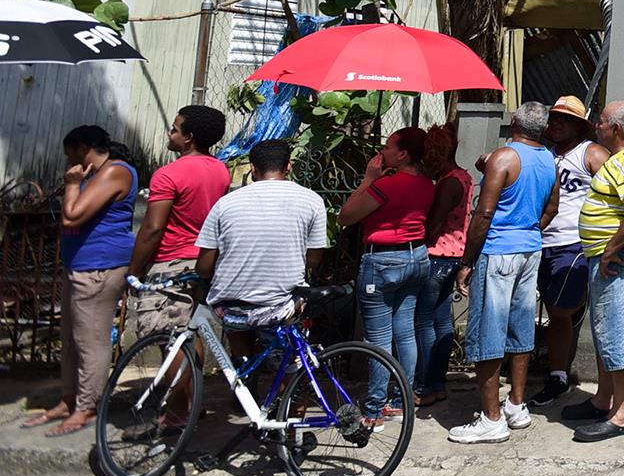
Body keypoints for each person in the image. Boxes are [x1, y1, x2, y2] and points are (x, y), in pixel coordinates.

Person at [450, 102, 559, 443]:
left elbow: (483, 214)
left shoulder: (504, 157)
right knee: (521, 325)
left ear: (513, 122)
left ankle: (491, 418)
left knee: (487, 330)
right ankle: (516, 405)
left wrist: (466, 262)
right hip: (529, 248)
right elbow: (552, 207)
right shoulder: (548, 160)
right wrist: (530, 229)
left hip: (498, 250)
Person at [25, 125, 137, 437]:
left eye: (69, 154)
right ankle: (68, 399)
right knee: (72, 338)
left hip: (100, 267)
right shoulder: (96, 174)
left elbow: (71, 215)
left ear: (82, 148)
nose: (67, 162)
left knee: (91, 340)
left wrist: (72, 184)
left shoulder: (115, 172)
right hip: (81, 265)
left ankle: (87, 407)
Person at [564, 101, 624, 442]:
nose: (596, 125)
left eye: (601, 121)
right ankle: (604, 399)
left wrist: (610, 249)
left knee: (619, 329)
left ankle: (622, 414)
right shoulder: (620, 158)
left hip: (621, 258)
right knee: (606, 329)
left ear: (615, 129)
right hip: (612, 257)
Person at [191, 140, 328, 357]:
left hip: (231, 306)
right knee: (284, 363)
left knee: (242, 359)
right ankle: (285, 387)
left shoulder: (225, 203)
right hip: (281, 305)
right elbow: (313, 260)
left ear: (252, 168)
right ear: (289, 166)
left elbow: (205, 267)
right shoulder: (312, 201)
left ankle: (244, 380)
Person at [337, 127, 436, 418]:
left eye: (389, 147)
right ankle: (402, 397)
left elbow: (346, 216)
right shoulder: (427, 184)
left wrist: (369, 179)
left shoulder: (388, 185)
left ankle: (374, 408)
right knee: (405, 332)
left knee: (378, 339)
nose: (383, 152)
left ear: (403, 154)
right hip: (416, 256)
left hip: (382, 260)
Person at [128, 106, 230, 348]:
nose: (169, 133)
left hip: (171, 263)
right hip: (205, 261)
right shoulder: (220, 170)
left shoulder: (168, 174)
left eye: (174, 129)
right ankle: (191, 385)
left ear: (188, 138)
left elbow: (153, 227)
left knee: (169, 336)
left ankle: (177, 387)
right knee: (192, 331)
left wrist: (134, 269)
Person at [532, 96, 608, 408]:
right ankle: (558, 376)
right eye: (554, 117)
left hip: (574, 243)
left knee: (562, 308)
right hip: (541, 241)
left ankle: (577, 305)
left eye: (565, 118)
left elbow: (616, 190)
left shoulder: (590, 153)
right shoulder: (542, 155)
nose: (557, 123)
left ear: (579, 125)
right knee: (554, 314)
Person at [414, 124, 472, 408]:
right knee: (441, 321)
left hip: (436, 255)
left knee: (425, 322)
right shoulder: (464, 177)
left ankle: (424, 385)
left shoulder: (449, 182)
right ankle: (438, 384)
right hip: (453, 256)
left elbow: (435, 225)